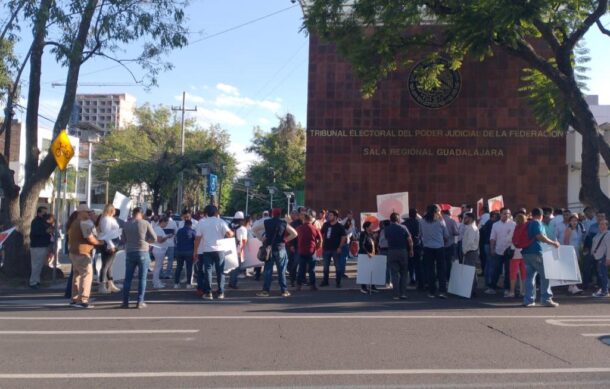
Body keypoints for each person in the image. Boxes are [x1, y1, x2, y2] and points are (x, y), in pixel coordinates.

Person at [521, 207, 560, 307]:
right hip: (536, 252)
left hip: (526, 252)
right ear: (541, 215)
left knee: (529, 277)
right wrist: (553, 243)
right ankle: (546, 299)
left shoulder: (527, 223)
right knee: (546, 275)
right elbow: (540, 236)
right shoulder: (537, 223)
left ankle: (528, 300)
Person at [193, 205, 234, 300]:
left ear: (206, 213)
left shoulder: (202, 223)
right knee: (220, 271)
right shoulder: (221, 222)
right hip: (220, 250)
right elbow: (230, 234)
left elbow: (197, 239)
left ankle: (208, 292)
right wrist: (231, 233)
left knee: (208, 271)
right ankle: (220, 292)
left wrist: (195, 251)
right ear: (216, 213)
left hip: (207, 250)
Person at [254, 208, 298, 297]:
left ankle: (265, 291)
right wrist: (285, 239)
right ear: (280, 214)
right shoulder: (283, 223)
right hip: (281, 248)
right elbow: (295, 233)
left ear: (272, 214)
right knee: (281, 271)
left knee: (268, 271)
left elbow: (254, 229)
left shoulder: (267, 222)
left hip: (269, 249)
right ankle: (284, 291)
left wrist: (261, 238)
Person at [121, 207, 157, 309]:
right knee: (142, 278)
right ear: (141, 213)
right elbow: (154, 238)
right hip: (142, 251)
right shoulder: (145, 223)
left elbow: (123, 239)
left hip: (130, 252)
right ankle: (140, 302)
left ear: (133, 214)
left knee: (128, 279)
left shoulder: (126, 224)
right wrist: (147, 242)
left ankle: (125, 302)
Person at [68, 204, 101, 308]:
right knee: (86, 275)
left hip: (74, 251)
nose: (89, 213)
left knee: (76, 275)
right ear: (81, 212)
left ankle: (74, 298)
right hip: (83, 252)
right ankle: (83, 300)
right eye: (87, 212)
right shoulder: (84, 223)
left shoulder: (74, 222)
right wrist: (101, 242)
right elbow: (90, 239)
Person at [420, 204, 450, 299]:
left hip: (427, 247)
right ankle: (442, 291)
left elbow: (420, 234)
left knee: (430, 270)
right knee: (441, 269)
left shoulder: (422, 221)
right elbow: (446, 235)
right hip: (439, 247)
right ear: (437, 211)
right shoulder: (440, 220)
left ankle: (431, 291)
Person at [385, 212, 414, 300]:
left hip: (391, 251)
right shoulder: (403, 227)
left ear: (390, 220)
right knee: (404, 273)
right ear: (398, 219)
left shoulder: (387, 229)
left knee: (394, 273)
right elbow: (409, 240)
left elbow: (386, 238)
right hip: (402, 251)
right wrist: (411, 250)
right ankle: (403, 293)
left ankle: (396, 294)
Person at [487, 208, 516, 296]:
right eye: (504, 213)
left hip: (509, 251)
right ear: (500, 214)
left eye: (508, 213)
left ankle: (507, 288)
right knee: (496, 269)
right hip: (498, 250)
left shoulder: (513, 224)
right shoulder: (495, 225)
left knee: (508, 271)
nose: (506, 215)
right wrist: (492, 249)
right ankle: (492, 287)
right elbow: (492, 237)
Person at [97, 204, 121, 294]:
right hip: (109, 243)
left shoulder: (109, 218)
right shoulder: (106, 219)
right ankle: (102, 285)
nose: (115, 211)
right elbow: (106, 234)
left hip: (112, 242)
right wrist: (111, 245)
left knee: (109, 265)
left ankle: (110, 284)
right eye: (114, 209)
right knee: (106, 265)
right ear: (111, 210)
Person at [296, 210, 322, 291]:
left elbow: (294, 238)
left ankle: (298, 286)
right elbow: (320, 240)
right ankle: (312, 285)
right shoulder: (314, 228)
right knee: (312, 270)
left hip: (301, 251)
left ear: (304, 220)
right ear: (310, 220)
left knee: (301, 269)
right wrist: (317, 248)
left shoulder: (299, 228)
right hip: (311, 251)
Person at [320, 210, 347, 288]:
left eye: (331, 215)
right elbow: (321, 234)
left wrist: (340, 247)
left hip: (336, 249)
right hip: (326, 249)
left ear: (335, 217)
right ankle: (325, 281)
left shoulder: (340, 226)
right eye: (329, 215)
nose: (329, 216)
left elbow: (343, 237)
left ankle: (338, 282)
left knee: (337, 267)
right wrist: (321, 244)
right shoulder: (325, 225)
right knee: (325, 266)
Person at [30, 206, 51, 289]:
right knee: (36, 264)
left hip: (43, 245)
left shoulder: (43, 222)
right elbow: (35, 233)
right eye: (44, 212)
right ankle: (33, 282)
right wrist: (46, 231)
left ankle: (37, 280)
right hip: (37, 246)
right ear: (39, 213)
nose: (45, 214)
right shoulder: (36, 222)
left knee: (39, 264)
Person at [563, 213, 584, 295]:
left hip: (577, 250)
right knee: (573, 269)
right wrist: (568, 252)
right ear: (569, 222)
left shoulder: (578, 229)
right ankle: (573, 286)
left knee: (575, 268)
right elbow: (566, 241)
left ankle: (571, 286)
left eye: (576, 220)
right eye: (572, 221)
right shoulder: (569, 229)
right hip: (571, 251)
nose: (574, 222)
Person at [508, 213, 528, 298]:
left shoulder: (514, 227)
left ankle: (512, 291)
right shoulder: (526, 228)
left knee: (513, 273)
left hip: (515, 252)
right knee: (524, 273)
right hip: (524, 252)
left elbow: (509, 239)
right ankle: (523, 291)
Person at [404, 209, 424, 290]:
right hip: (417, 244)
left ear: (409, 215)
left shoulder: (405, 223)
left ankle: (412, 279)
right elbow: (421, 234)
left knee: (410, 264)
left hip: (407, 245)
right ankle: (420, 282)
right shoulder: (420, 223)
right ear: (416, 215)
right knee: (418, 265)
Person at [152, 216, 173, 289]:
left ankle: (156, 281)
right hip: (159, 249)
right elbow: (159, 240)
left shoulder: (158, 228)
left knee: (158, 267)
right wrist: (167, 236)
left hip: (159, 249)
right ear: (162, 222)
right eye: (166, 223)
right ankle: (156, 283)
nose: (166, 225)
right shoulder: (158, 229)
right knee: (158, 267)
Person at [461, 212, 480, 296]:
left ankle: (470, 290)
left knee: (470, 271)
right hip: (470, 251)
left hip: (470, 252)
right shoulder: (470, 227)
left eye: (466, 218)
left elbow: (470, 242)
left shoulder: (472, 228)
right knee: (472, 271)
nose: (464, 219)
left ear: (471, 219)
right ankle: (472, 290)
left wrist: (465, 251)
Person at [590, 219, 610, 298]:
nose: (601, 226)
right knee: (601, 274)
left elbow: (609, 247)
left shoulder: (608, 234)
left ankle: (605, 291)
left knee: (603, 274)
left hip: (603, 257)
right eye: (600, 224)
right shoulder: (599, 234)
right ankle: (604, 290)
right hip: (598, 257)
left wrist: (608, 258)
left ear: (606, 226)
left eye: (603, 224)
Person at [228, 212, 248, 289]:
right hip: (238, 250)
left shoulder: (230, 227)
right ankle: (233, 283)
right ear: (242, 220)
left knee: (231, 267)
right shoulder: (243, 229)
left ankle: (231, 282)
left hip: (229, 248)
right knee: (236, 268)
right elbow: (244, 241)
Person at [174, 219, 196, 288]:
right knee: (189, 268)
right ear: (190, 225)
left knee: (178, 267)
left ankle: (176, 284)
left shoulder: (179, 231)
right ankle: (188, 284)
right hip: (189, 251)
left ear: (184, 224)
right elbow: (196, 240)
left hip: (179, 251)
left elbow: (175, 240)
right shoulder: (192, 231)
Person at [359, 220, 379, 294]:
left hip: (372, 255)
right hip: (365, 255)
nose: (372, 227)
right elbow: (362, 245)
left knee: (372, 271)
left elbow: (374, 244)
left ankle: (372, 286)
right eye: (371, 226)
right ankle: (363, 287)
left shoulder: (371, 235)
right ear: (367, 227)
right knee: (365, 271)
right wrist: (367, 253)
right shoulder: (363, 234)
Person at [287, 210, 303, 287]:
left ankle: (297, 280)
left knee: (298, 264)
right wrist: (291, 245)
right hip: (295, 246)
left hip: (299, 246)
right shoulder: (293, 223)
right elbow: (290, 236)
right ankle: (293, 280)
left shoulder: (299, 223)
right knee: (294, 264)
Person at [161, 210, 178, 279]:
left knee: (161, 259)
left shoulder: (161, 221)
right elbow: (176, 232)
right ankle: (168, 273)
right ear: (171, 215)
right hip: (171, 244)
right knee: (170, 259)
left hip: (162, 243)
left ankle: (161, 273)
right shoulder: (173, 223)